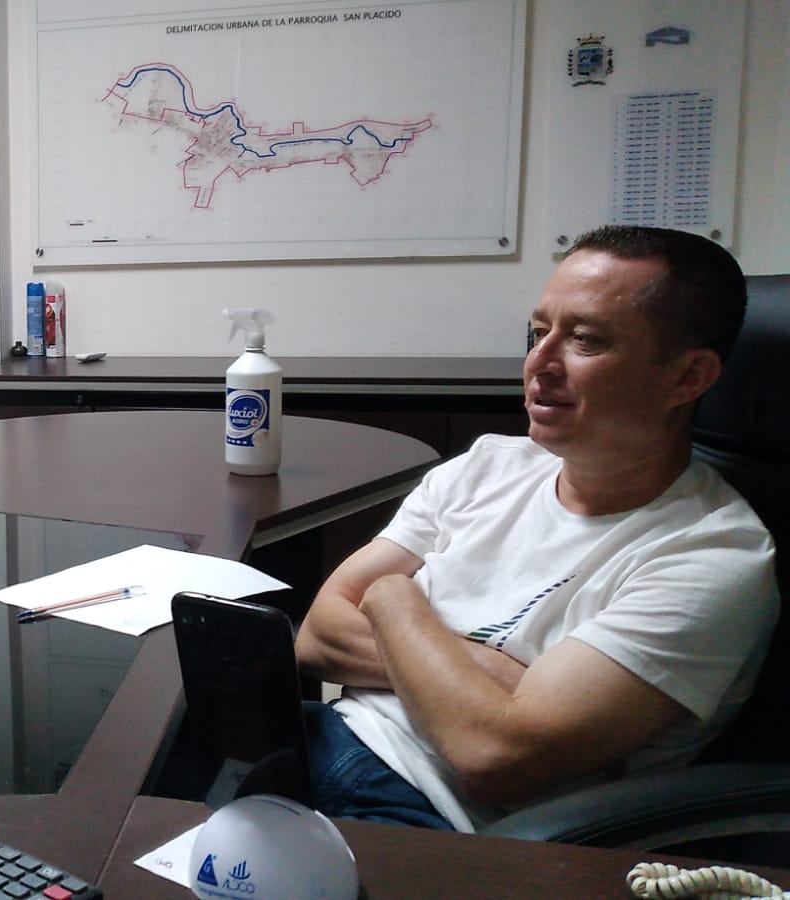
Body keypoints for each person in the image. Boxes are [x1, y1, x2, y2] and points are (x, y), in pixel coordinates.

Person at [293, 225, 780, 832]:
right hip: (321, 736)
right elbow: (316, 636)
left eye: (585, 340)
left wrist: (394, 599)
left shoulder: (714, 558)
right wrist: (496, 683)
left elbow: (495, 757)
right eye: (537, 332)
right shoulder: (487, 466)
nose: (539, 363)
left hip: (428, 812)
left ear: (688, 377)